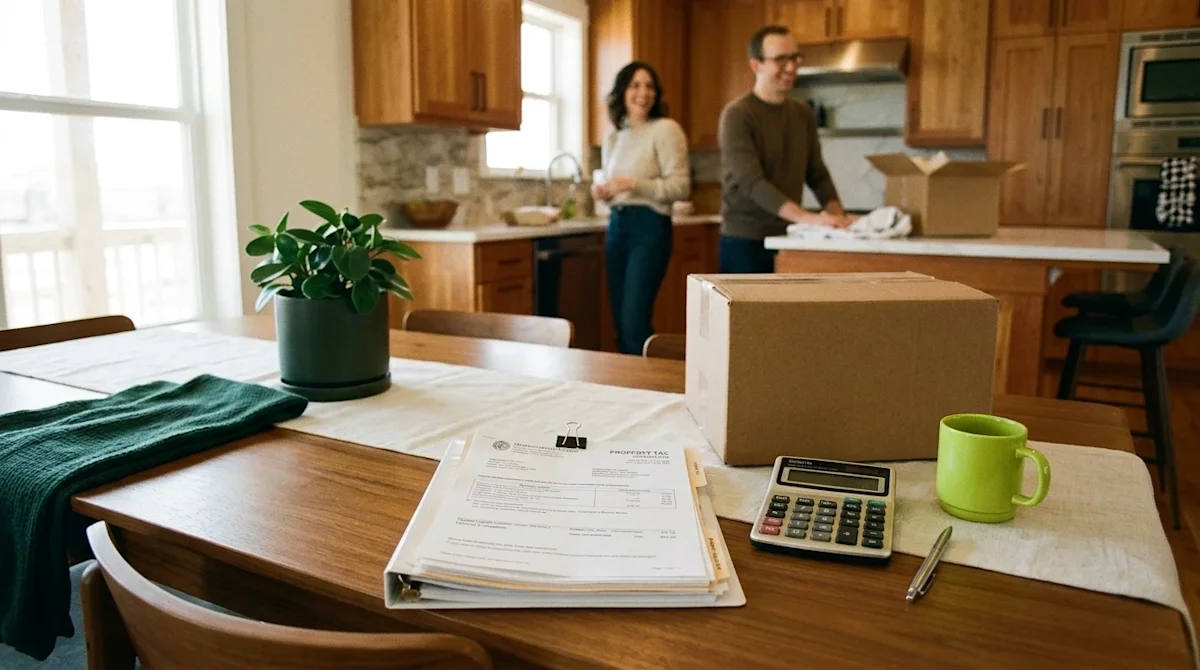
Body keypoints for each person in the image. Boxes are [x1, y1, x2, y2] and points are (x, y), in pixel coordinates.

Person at [718, 25, 852, 274]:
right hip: (745, 241)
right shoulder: (738, 115)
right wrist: (808, 218)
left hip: (789, 238)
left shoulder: (803, 113)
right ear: (755, 65)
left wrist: (838, 218)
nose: (791, 67)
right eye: (781, 59)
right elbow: (751, 182)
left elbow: (817, 173)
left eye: (794, 58)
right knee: (746, 315)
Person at [592, 61, 690, 355]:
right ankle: (629, 391)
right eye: (634, 85)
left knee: (634, 323)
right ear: (622, 92)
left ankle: (650, 390)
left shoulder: (666, 129)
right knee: (621, 324)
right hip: (617, 226)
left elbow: (681, 187)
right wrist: (606, 192)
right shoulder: (613, 137)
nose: (643, 93)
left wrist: (633, 184)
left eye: (649, 86)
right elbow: (617, 186)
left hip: (649, 229)